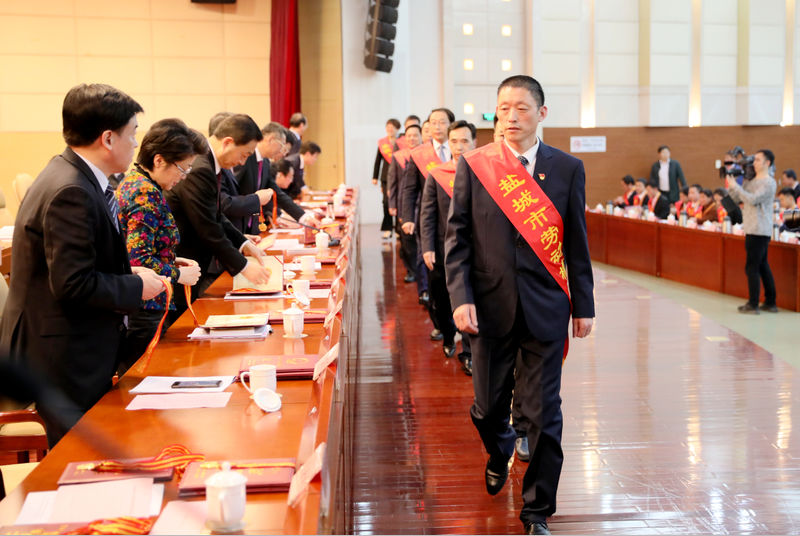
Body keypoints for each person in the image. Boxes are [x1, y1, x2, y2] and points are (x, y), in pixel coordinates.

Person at [446, 75, 594, 535]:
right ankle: (499, 450)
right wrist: (460, 298)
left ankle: (537, 511)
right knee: (488, 409)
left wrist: (584, 305)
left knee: (545, 415)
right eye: (503, 108)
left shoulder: (567, 168)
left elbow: (576, 242)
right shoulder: (476, 165)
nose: (511, 117)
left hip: (546, 309)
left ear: (541, 114)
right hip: (489, 309)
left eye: (522, 108)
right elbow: (458, 239)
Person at [0, 83, 167, 446]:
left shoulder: (72, 174)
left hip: (68, 344)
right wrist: (137, 287)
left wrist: (129, 274)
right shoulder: (71, 190)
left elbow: (80, 264)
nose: (135, 144)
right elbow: (73, 284)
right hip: (62, 355)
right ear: (108, 139)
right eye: (132, 134)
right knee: (79, 461)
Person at [115, 119, 206, 375]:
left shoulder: (138, 183)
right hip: (144, 308)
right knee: (140, 383)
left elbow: (144, 248)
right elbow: (137, 261)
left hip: (145, 305)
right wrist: (178, 274)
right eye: (182, 169)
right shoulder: (144, 194)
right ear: (159, 160)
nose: (184, 176)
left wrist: (171, 260)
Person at [165, 113, 271, 321]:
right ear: (228, 142)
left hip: (192, 262)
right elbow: (208, 226)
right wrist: (243, 266)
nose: (243, 162)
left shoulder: (209, 164)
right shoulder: (199, 167)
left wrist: (243, 244)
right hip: (181, 261)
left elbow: (216, 214)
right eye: (244, 154)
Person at [420, 119, 475, 372]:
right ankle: (448, 334)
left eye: (464, 141)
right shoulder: (437, 174)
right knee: (441, 300)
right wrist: (427, 247)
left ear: (474, 143)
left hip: (474, 251)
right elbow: (428, 214)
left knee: (470, 299)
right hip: (443, 251)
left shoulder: (483, 174)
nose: (459, 146)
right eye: (454, 141)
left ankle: (469, 352)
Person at [233, 122, 318, 231]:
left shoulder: (265, 162)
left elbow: (277, 193)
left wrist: (304, 217)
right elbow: (231, 194)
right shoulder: (245, 157)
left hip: (252, 227)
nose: (283, 154)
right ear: (270, 140)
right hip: (237, 225)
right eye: (282, 147)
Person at [726, 149, 778, 314]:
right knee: (762, 265)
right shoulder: (751, 181)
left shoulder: (769, 182)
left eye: (757, 160)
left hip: (760, 229)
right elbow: (737, 198)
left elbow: (753, 200)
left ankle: (753, 304)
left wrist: (736, 186)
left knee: (752, 267)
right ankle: (770, 302)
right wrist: (732, 184)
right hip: (751, 227)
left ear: (767, 163)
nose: (753, 163)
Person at [388, 124, 423, 285]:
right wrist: (392, 204)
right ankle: (412, 271)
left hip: (423, 203)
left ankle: (423, 273)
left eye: (415, 135)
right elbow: (393, 181)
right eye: (409, 136)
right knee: (407, 240)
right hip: (405, 203)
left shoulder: (427, 156)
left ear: (421, 137)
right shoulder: (398, 156)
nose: (412, 138)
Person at [375, 119, 401, 238]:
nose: (389, 130)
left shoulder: (402, 142)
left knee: (399, 203)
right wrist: (375, 177)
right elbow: (378, 161)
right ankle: (388, 228)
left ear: (397, 128)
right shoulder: (383, 143)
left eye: (392, 128)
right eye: (388, 128)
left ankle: (398, 229)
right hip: (386, 178)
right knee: (386, 203)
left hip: (399, 177)